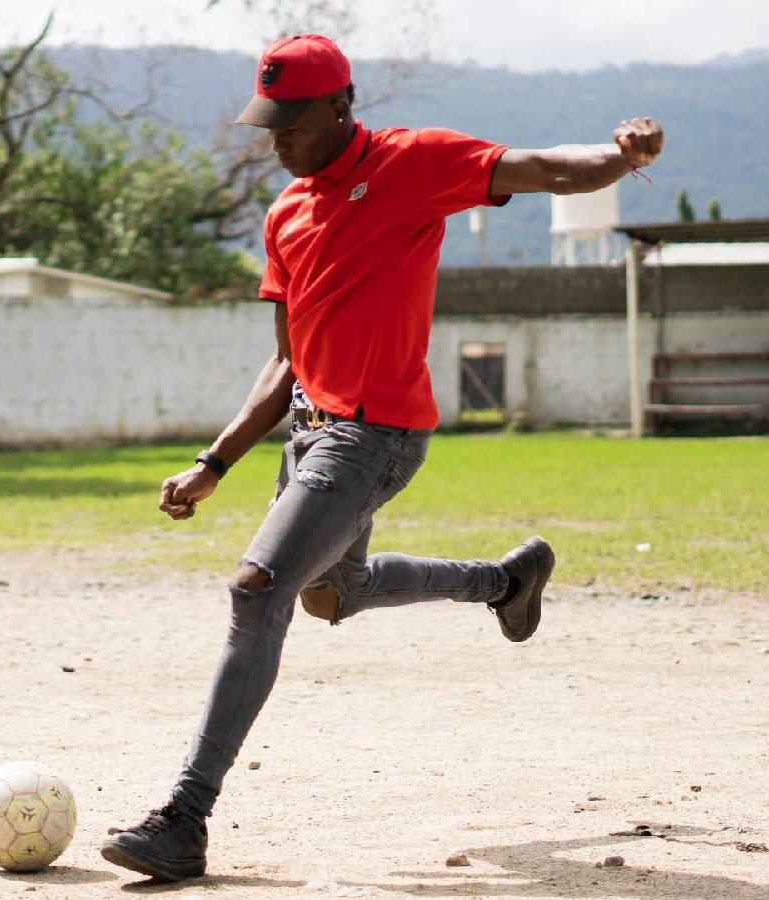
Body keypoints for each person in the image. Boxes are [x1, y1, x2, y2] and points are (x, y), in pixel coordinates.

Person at [100, 33, 664, 882]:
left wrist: (619, 158)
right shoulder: (286, 216)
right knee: (334, 595)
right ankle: (503, 582)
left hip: (376, 435)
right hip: (309, 433)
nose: (278, 140)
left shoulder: (412, 164)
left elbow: (547, 168)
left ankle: (185, 817)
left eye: (292, 123)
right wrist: (214, 463)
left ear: (341, 106)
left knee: (258, 590)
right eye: (268, 124)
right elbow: (286, 360)